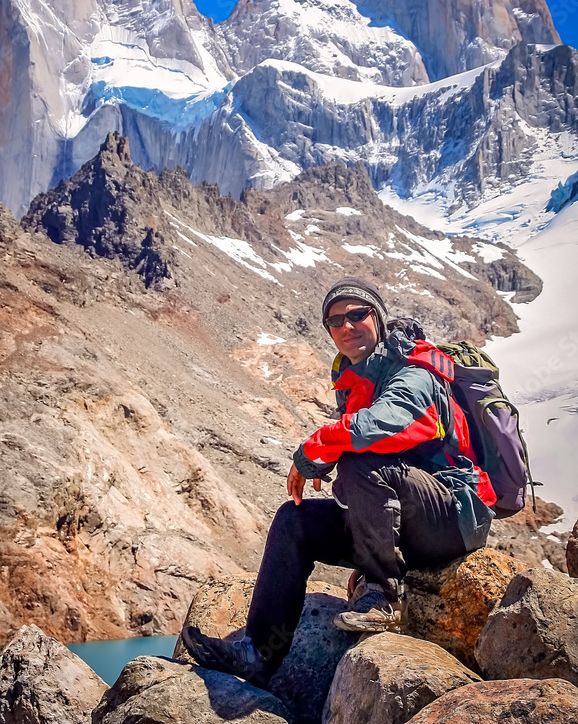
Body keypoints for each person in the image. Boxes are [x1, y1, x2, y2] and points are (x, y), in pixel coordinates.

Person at [182, 277, 497, 688]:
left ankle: (384, 594)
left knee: (360, 456)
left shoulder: (414, 371)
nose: (346, 326)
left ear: (378, 318)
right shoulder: (357, 378)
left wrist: (315, 450)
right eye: (335, 320)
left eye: (357, 314)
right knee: (295, 521)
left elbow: (382, 426)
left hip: (452, 518)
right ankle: (259, 654)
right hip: (403, 527)